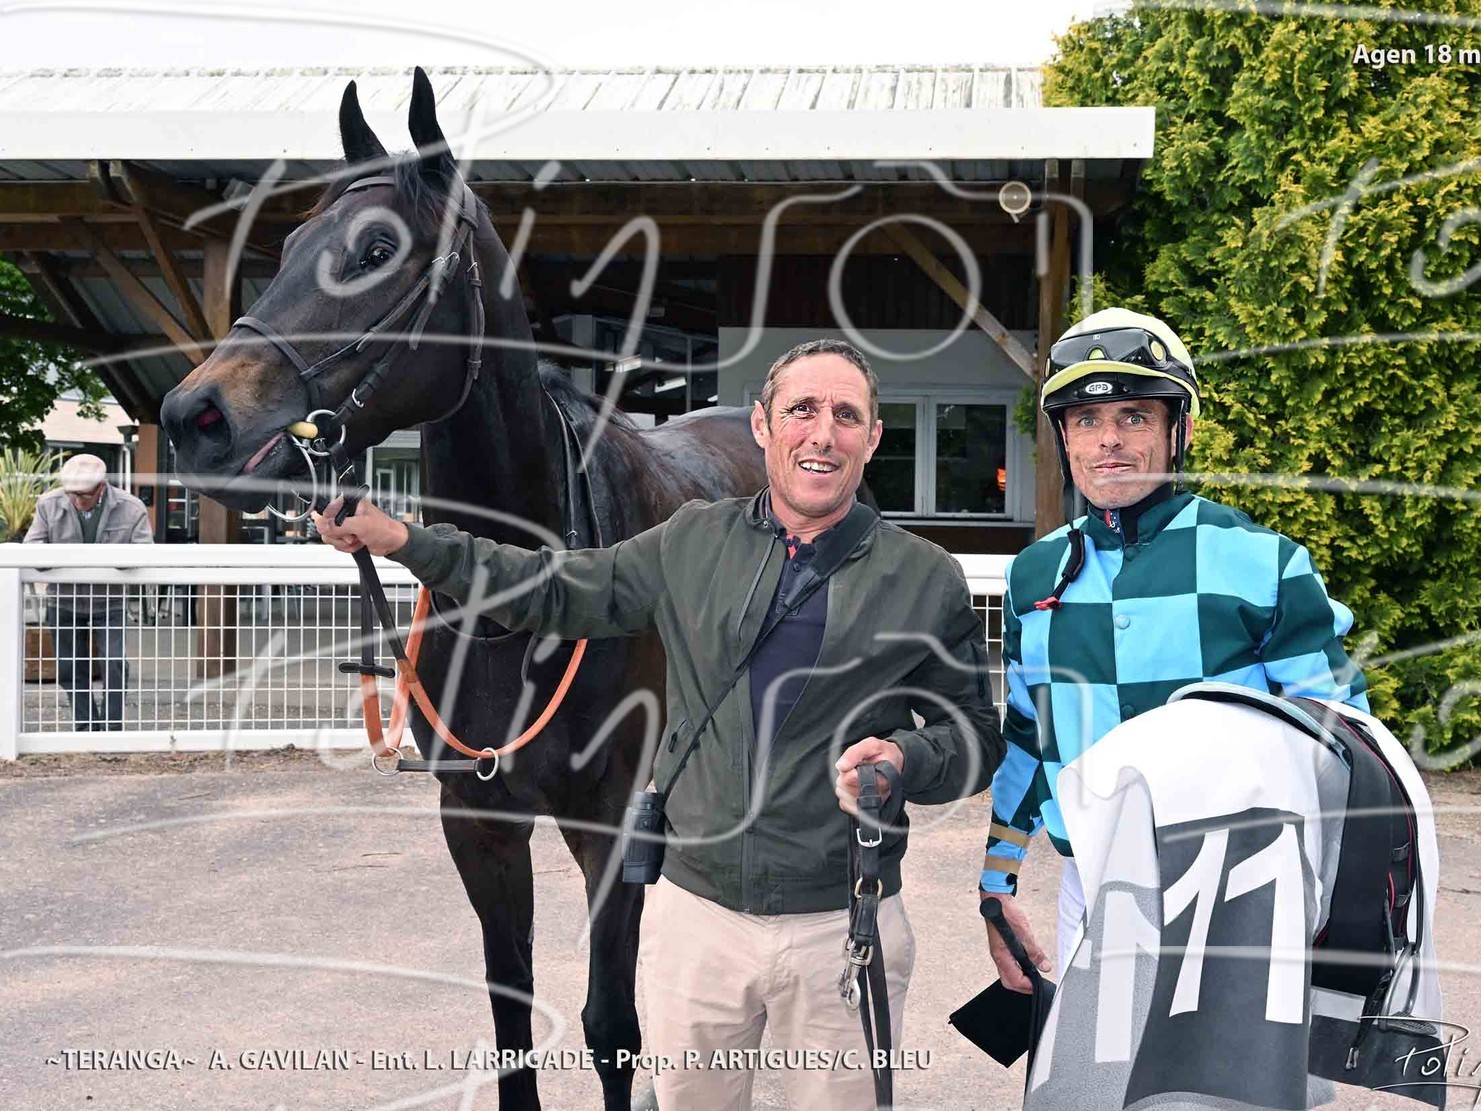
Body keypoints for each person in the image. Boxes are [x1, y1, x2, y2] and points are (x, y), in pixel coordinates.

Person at [316, 338, 1005, 1111]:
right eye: (802, 410)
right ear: (762, 425)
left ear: (873, 437)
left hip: (840, 924)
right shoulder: (692, 541)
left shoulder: (924, 578)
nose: (823, 433)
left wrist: (908, 756)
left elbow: (975, 737)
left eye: (846, 415)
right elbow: (548, 587)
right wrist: (408, 542)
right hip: (697, 928)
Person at [976, 308, 1371, 990]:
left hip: (1239, 894)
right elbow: (1027, 738)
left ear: (1177, 430)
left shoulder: (1264, 562)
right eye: (1086, 420)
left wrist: (1338, 907)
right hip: (1089, 888)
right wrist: (996, 880)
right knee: (1087, 1065)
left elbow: (1344, 742)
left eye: (1133, 416)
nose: (1108, 440)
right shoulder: (1034, 575)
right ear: (1064, 437)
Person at [23, 453, 154, 730]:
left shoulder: (132, 508)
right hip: (63, 599)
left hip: (111, 600)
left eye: (82, 495)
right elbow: (32, 548)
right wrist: (61, 559)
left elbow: (144, 551)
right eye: (70, 493)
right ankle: (85, 727)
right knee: (70, 666)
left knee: (114, 662)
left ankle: (111, 728)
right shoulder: (48, 503)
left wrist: (110, 561)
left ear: (101, 487)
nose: (75, 500)